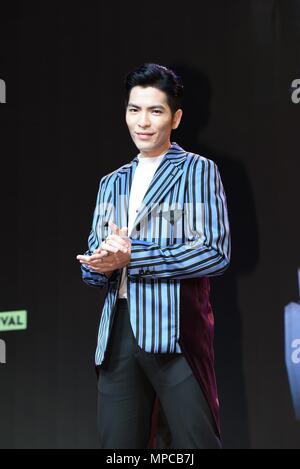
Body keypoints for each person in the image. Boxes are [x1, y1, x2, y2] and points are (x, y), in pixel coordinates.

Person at [76, 63, 231, 449]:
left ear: (175, 118)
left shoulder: (197, 171)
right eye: (134, 109)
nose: (142, 122)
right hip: (117, 336)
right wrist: (99, 265)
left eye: (155, 110)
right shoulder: (111, 183)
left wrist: (134, 257)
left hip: (175, 334)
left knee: (196, 443)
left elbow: (214, 252)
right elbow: (98, 267)